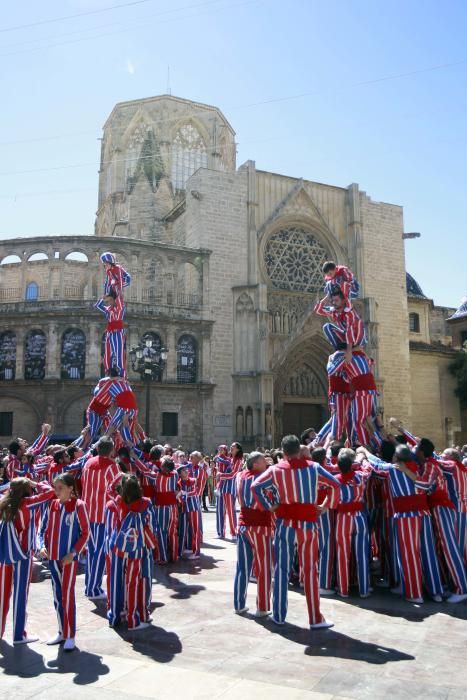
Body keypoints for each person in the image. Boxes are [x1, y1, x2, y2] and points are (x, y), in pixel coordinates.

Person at [252, 435, 340, 629]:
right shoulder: (314, 468)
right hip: (308, 524)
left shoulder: (275, 470)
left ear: (283, 452)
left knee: (282, 570)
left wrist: (270, 506)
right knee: (309, 570)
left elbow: (255, 486)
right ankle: (315, 618)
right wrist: (325, 506)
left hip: (285, 524)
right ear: (299, 451)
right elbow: (335, 484)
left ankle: (279, 615)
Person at [359, 444, 444, 604]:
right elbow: (428, 485)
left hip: (406, 516)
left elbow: (376, 464)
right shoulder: (420, 468)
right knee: (428, 552)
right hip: (424, 514)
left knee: (409, 554)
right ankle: (435, 591)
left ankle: (414, 593)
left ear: (397, 458)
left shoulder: (393, 469)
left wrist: (364, 452)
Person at [39, 474, 90, 651]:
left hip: (68, 560)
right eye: (55, 487)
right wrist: (41, 546)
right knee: (57, 597)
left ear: (70, 488)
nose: (56, 491)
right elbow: (42, 529)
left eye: (60, 487)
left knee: (67, 596)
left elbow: (85, 533)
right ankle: (61, 631)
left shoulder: (78, 506)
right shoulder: (52, 505)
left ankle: (70, 635)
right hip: (52, 559)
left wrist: (74, 553)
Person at [0, 477, 54, 644]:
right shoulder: (28, 503)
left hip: (5, 554)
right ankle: (18, 635)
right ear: (26, 490)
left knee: (2, 595)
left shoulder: (4, 503)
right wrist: (35, 483)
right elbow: (50, 492)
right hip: (23, 555)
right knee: (20, 595)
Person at [107, 474, 157, 630]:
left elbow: (109, 489)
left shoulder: (117, 501)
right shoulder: (146, 504)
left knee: (115, 580)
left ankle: (115, 615)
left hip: (118, 545)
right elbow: (152, 525)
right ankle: (134, 617)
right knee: (135, 582)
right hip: (138, 548)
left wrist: (120, 476)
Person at [234, 451, 273, 617]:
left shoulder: (240, 476)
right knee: (264, 568)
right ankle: (262, 607)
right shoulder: (263, 479)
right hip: (260, 527)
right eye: (263, 460)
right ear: (255, 464)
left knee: (242, 567)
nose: (266, 463)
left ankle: (239, 604)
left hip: (243, 525)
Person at [81, 437, 121, 599]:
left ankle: (89, 585)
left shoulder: (88, 463)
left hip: (87, 513)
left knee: (91, 551)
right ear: (111, 450)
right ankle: (93, 589)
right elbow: (117, 489)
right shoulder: (112, 467)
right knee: (98, 552)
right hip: (102, 514)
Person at [334, 448, 371, 598]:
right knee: (362, 553)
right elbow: (368, 469)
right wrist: (362, 458)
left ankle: (343, 589)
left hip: (343, 518)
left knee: (342, 554)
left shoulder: (335, 480)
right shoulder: (361, 477)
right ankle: (364, 589)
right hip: (360, 517)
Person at [314, 287, 366, 358]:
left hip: (357, 337)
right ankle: (339, 350)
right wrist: (327, 296)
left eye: (336, 300)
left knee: (351, 332)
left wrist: (349, 352)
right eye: (332, 301)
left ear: (344, 301)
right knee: (327, 327)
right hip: (346, 336)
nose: (333, 303)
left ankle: (356, 348)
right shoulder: (333, 311)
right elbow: (318, 310)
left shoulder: (349, 313)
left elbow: (349, 332)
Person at [95, 289, 127, 378]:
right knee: (108, 354)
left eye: (110, 300)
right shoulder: (108, 309)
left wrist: (118, 294)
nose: (108, 303)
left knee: (118, 352)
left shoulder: (120, 308)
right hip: (109, 333)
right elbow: (97, 305)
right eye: (107, 301)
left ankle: (121, 374)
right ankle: (108, 371)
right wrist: (103, 298)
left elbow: (120, 302)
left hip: (118, 332)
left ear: (114, 300)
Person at [215, 444, 242, 539]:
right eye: (231, 446)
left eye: (233, 447)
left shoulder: (238, 461)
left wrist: (220, 475)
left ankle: (234, 532)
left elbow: (233, 474)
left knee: (231, 511)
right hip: (221, 487)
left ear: (238, 449)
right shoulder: (228, 459)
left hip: (230, 488)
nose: (231, 447)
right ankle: (220, 532)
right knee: (220, 510)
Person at [177, 465, 202, 559]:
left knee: (195, 530)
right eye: (183, 470)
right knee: (183, 530)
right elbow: (178, 496)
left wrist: (184, 494)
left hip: (193, 508)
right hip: (184, 509)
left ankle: (196, 553)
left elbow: (195, 492)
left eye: (186, 469)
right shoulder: (178, 483)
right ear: (179, 473)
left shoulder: (193, 480)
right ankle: (180, 552)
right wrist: (180, 495)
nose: (186, 471)